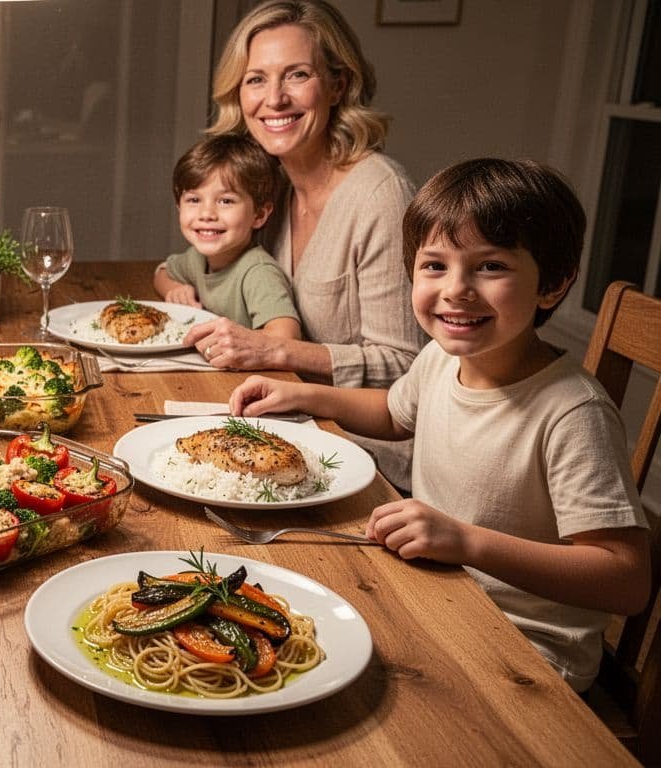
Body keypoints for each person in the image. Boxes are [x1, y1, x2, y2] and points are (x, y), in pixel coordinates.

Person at [227, 158, 651, 692]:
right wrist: (305, 394)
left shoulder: (571, 412)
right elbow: (393, 415)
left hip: (526, 656)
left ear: (554, 283)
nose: (456, 289)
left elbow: (626, 579)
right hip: (440, 597)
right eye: (434, 266)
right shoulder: (441, 360)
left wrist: (467, 542)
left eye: (491, 266)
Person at [187, 0, 425, 488]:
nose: (274, 98)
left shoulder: (380, 194)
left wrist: (279, 352)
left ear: (338, 84)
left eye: (296, 75)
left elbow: (407, 371)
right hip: (285, 435)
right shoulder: (269, 184)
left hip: (371, 464)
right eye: (256, 79)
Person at [153, 133, 300, 339]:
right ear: (179, 206)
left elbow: (287, 337)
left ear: (259, 215)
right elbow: (162, 273)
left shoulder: (257, 273)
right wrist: (175, 289)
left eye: (226, 201)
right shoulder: (197, 258)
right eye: (194, 199)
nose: (206, 214)